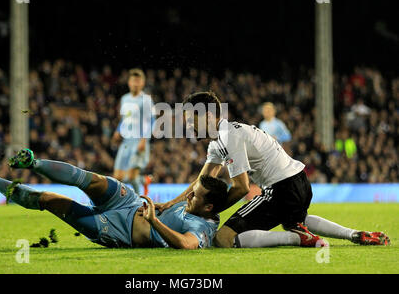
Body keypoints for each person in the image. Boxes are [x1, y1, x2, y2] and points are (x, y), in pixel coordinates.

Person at [157, 91, 390, 248]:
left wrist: (210, 210)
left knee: (224, 238)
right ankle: (354, 234)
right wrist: (170, 204)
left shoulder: (229, 136)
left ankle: (297, 238)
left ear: (208, 116)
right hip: (298, 181)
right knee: (295, 219)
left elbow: (241, 187)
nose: (187, 125)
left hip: (281, 187)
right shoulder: (218, 141)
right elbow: (202, 181)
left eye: (191, 119)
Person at [0, 146, 227, 249]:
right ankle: (34, 162)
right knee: (95, 180)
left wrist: (155, 220)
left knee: (51, 201)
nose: (190, 195)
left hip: (118, 231)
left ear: (210, 207)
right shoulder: (197, 202)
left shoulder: (202, 227)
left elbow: (188, 245)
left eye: (196, 196)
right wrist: (165, 204)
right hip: (130, 202)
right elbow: (187, 197)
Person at [111, 68, 153, 195]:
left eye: (138, 81)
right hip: (126, 142)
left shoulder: (146, 100)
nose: (135, 83)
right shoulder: (124, 99)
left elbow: (151, 122)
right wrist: (118, 131)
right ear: (129, 82)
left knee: (130, 176)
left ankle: (138, 203)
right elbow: (125, 119)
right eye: (133, 81)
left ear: (142, 83)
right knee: (117, 177)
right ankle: (144, 180)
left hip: (139, 141)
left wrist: (144, 140)